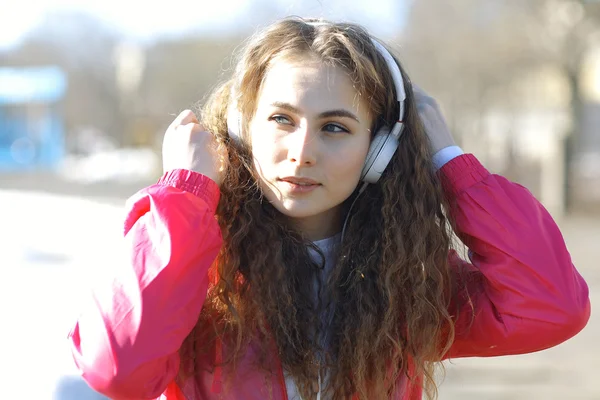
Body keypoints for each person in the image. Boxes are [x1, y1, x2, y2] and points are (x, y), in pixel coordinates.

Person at [68, 17, 591, 400]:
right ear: (239, 130)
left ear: (379, 150)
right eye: (280, 120)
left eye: (335, 127)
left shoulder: (405, 279)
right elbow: (116, 368)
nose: (301, 151)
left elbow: (550, 307)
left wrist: (449, 161)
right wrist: (184, 194)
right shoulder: (197, 268)